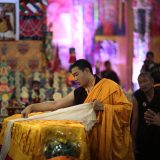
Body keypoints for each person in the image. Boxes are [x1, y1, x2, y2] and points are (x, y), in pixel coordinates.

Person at [22, 59, 133, 160]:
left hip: (110, 142)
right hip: (89, 143)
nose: (75, 79)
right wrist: (32, 107)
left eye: (76, 75)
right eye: (73, 76)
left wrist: (104, 107)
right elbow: (56, 104)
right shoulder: (79, 92)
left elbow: (127, 110)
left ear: (87, 71)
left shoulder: (110, 86)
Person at [131, 72, 160, 160]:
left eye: (145, 81)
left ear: (152, 82)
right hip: (143, 137)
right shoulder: (137, 96)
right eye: (140, 82)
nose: (142, 84)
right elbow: (135, 120)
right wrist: (132, 141)